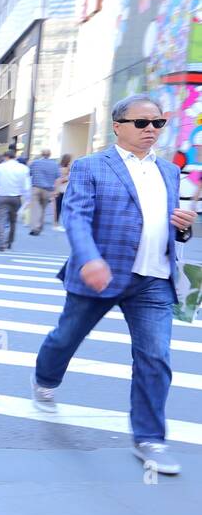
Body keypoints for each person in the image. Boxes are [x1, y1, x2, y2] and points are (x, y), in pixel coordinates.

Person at [33, 94, 197, 474]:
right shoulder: (91, 166)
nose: (151, 130)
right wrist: (89, 258)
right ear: (118, 126)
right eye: (141, 123)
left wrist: (183, 228)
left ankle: (150, 439)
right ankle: (45, 377)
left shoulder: (170, 171)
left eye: (157, 123)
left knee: (155, 357)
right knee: (66, 336)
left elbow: (166, 224)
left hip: (153, 280)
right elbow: (75, 217)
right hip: (101, 272)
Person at [0, 148, 30, 251]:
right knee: (13, 221)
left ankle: (1, 244)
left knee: (1, 221)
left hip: (1, 196)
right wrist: (27, 199)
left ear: (5, 157)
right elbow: (26, 186)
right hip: (16, 197)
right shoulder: (23, 168)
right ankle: (10, 241)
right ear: (15, 157)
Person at [28, 148, 60, 235]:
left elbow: (29, 173)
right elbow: (57, 177)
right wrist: (56, 190)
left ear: (41, 154)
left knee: (35, 208)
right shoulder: (55, 165)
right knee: (43, 208)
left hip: (36, 187)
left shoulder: (35, 163)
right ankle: (40, 226)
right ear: (50, 155)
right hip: (48, 190)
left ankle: (35, 227)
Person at [54, 153, 72, 231]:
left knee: (59, 207)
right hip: (63, 189)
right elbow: (63, 179)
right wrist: (67, 178)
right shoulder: (66, 168)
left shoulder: (59, 167)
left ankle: (56, 223)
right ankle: (58, 224)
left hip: (61, 189)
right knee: (61, 207)